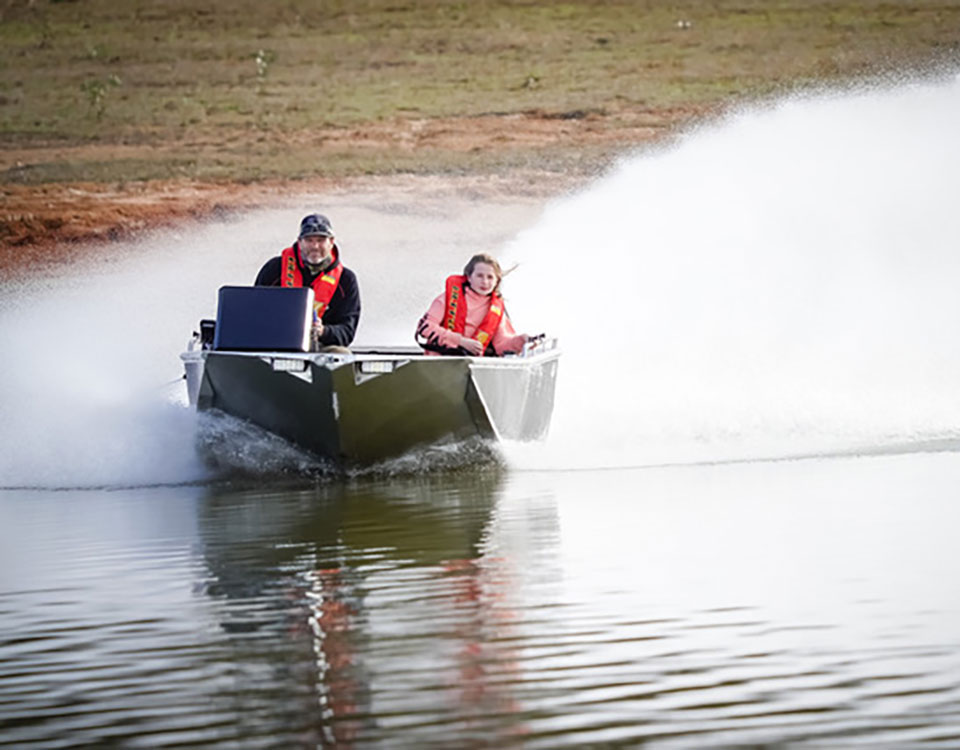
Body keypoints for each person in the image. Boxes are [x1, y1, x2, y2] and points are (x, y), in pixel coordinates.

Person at [255, 213, 360, 349]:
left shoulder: (346, 280)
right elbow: (255, 312)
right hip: (274, 344)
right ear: (300, 242)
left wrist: (323, 331)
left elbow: (347, 331)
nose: (315, 246)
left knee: (341, 354)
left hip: (321, 349)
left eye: (321, 240)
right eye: (309, 240)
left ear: (331, 242)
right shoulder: (275, 269)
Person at [415, 253, 529, 356]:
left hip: (472, 365)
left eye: (490, 277)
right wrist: (460, 341)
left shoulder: (496, 310)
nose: (484, 282)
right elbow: (425, 327)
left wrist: (521, 341)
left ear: (496, 281)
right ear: (469, 277)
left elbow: (501, 345)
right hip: (440, 362)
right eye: (480, 276)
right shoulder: (446, 299)